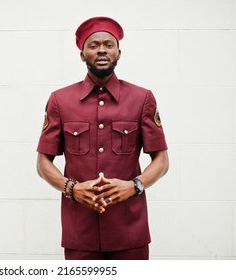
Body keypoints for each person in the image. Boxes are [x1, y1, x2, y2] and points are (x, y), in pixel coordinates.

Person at [36, 16, 169, 260]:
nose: (102, 50)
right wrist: (72, 189)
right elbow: (43, 163)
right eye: (94, 45)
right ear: (82, 54)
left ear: (119, 52)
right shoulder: (60, 100)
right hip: (80, 233)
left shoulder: (142, 99)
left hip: (130, 231)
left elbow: (161, 160)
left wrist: (134, 186)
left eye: (108, 44)